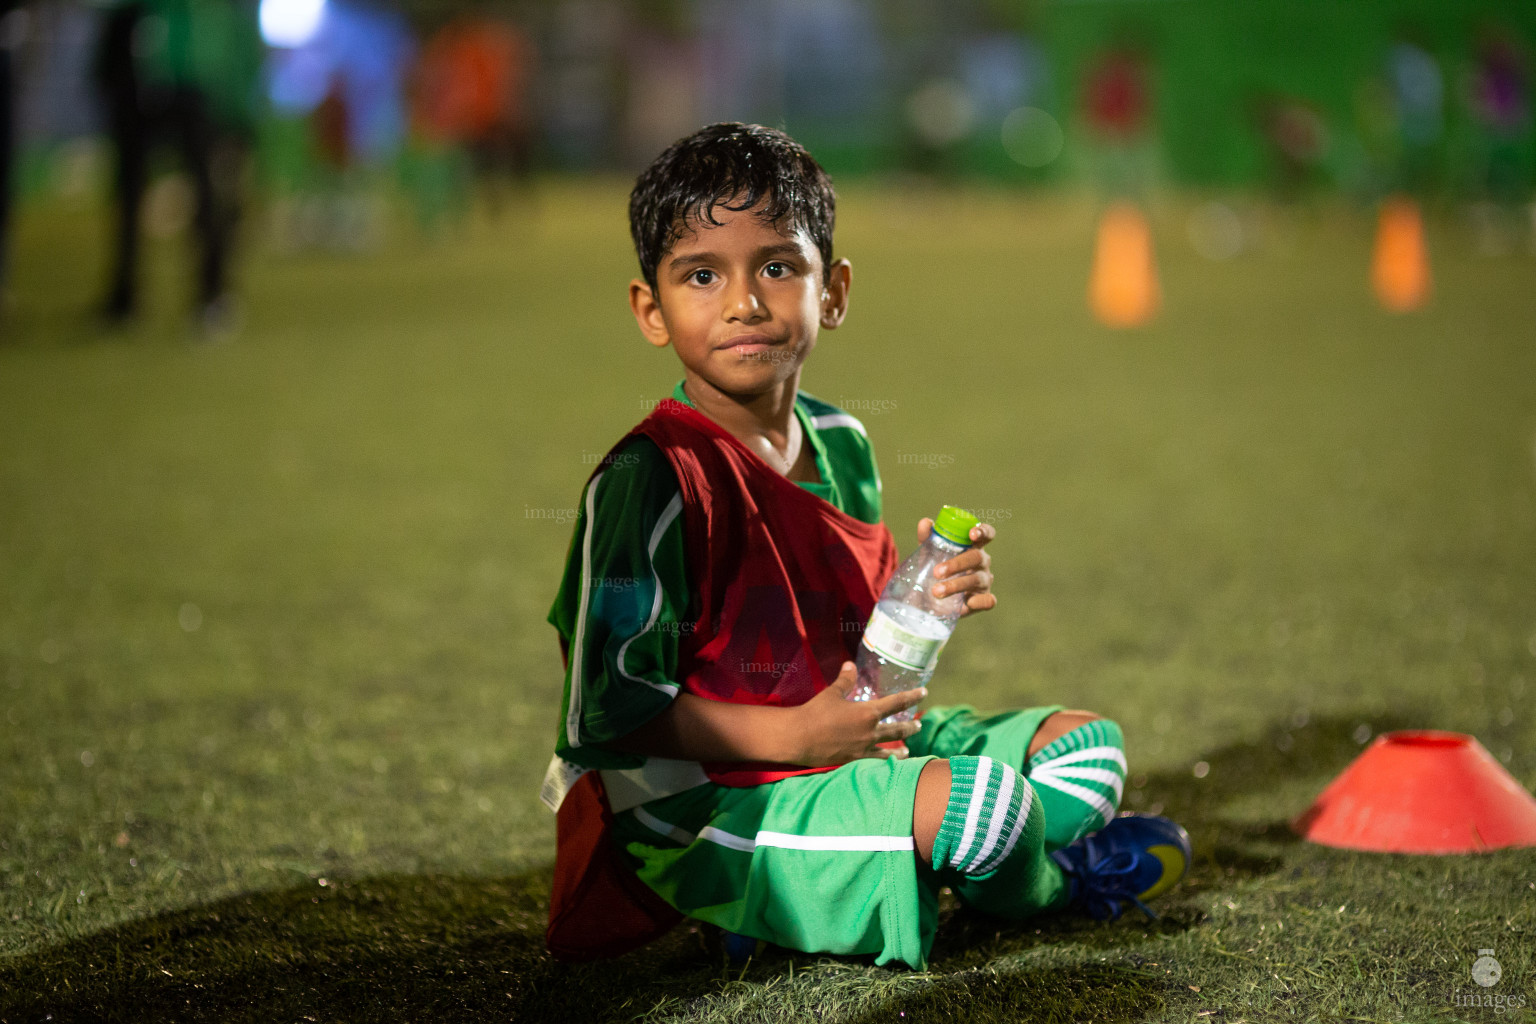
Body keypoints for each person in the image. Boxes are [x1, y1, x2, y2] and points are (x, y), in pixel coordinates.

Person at [541, 122, 1191, 969]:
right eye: (702, 275)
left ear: (834, 291)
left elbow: (853, 646)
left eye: (778, 266)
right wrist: (795, 740)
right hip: (711, 806)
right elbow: (607, 710)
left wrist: (926, 597)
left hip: (842, 737)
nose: (745, 302)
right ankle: (1051, 887)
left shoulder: (843, 440)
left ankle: (841, 887)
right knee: (987, 809)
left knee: (1086, 751)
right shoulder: (652, 476)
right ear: (651, 311)